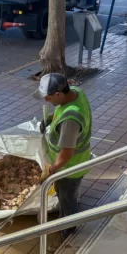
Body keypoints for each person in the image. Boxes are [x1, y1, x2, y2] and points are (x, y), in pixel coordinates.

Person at [35, 73, 92, 239]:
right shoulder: (76, 92)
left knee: (66, 198)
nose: (46, 100)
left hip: (69, 168)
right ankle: (69, 209)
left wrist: (51, 170)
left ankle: (69, 226)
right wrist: (51, 118)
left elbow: (66, 153)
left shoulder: (70, 120)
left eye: (48, 97)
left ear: (59, 94)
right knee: (69, 193)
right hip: (78, 161)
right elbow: (62, 109)